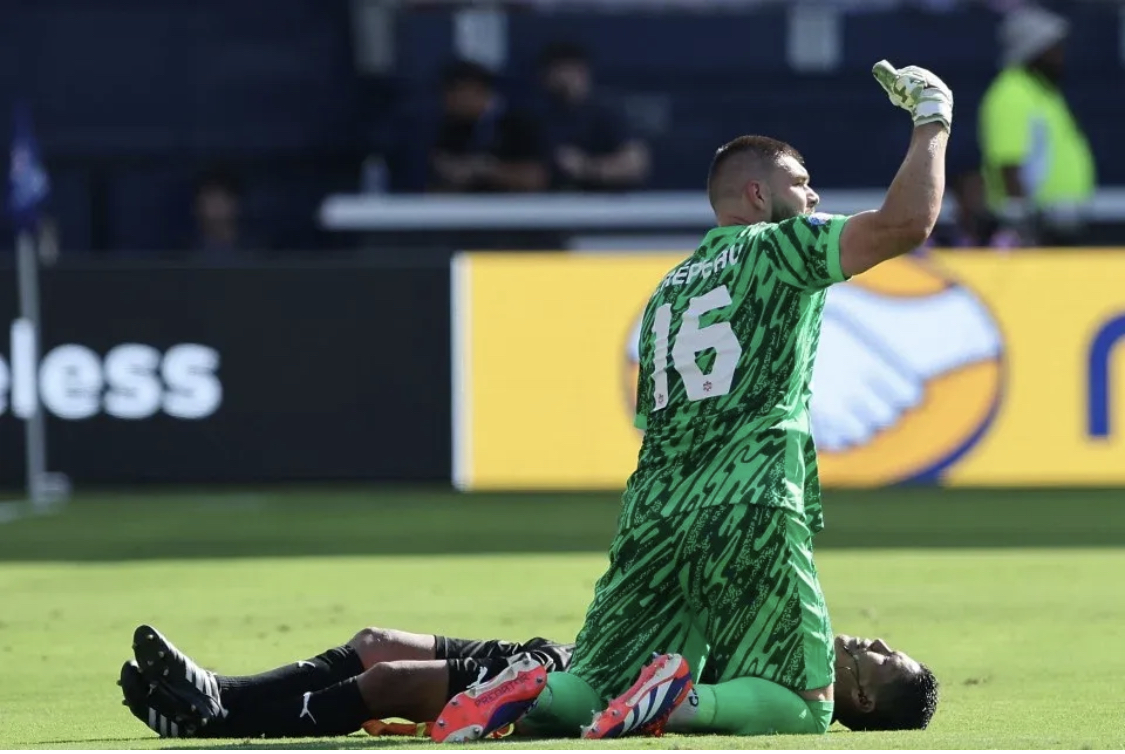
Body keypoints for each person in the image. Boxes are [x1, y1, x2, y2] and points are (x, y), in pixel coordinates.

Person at [430, 59, 953, 743]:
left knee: (598, 685)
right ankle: (677, 705)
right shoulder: (778, 249)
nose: (815, 196)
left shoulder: (669, 290)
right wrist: (932, 121)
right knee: (801, 702)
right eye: (801, 184)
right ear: (758, 197)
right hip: (747, 500)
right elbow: (905, 224)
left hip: (653, 509)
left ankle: (533, 687)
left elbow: (655, 416)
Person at [118, 624, 937, 739]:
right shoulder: (785, 634)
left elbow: (667, 702)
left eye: (880, 655)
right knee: (373, 643)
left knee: (394, 681)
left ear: (863, 697)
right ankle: (219, 690)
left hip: (555, 687)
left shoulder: (794, 706)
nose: (866, 640)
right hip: (568, 650)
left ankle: (217, 725)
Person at [979, 5, 1095, 246]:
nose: (1061, 56)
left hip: (1058, 223)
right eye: (1054, 49)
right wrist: (1023, 226)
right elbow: (1009, 163)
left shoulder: (1042, 92)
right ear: (1034, 50)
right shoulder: (1011, 94)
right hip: (1036, 228)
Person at [537, 41, 650, 191]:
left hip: (603, 204)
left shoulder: (605, 112)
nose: (562, 78)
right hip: (549, 204)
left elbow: (636, 164)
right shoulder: (538, 115)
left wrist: (586, 167)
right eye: (553, 71)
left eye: (567, 70)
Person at [428, 60, 549, 193]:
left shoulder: (521, 122)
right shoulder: (450, 126)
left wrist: (484, 169)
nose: (447, 103)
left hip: (516, 208)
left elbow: (535, 179)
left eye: (452, 95)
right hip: (470, 208)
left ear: (475, 90)